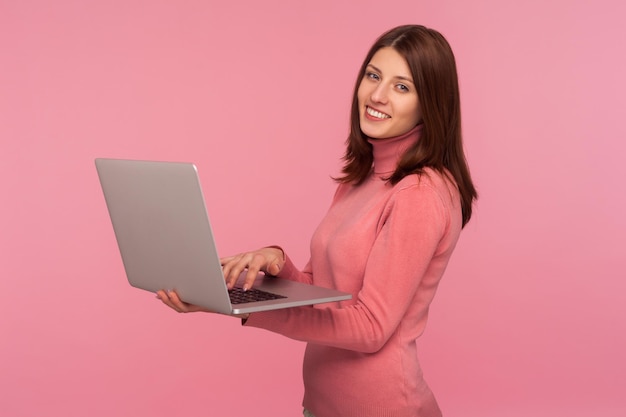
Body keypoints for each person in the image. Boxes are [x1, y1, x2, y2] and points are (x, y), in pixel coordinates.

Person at [157, 24, 477, 417]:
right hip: (323, 405)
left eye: (402, 86)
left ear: (431, 103)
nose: (376, 95)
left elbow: (370, 328)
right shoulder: (360, 180)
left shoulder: (419, 194)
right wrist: (271, 265)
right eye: (373, 76)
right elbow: (324, 289)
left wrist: (240, 306)